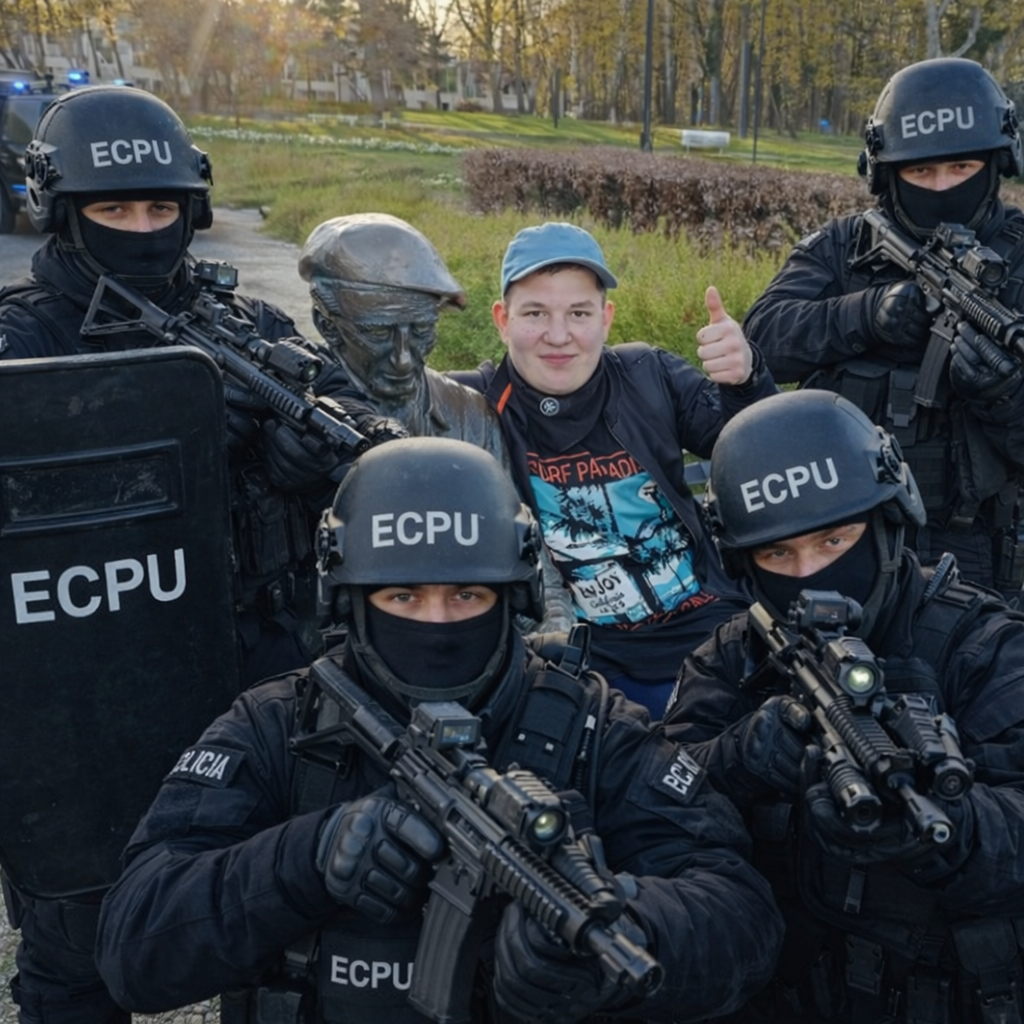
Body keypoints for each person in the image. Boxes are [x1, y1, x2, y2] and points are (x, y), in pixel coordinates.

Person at [94, 436, 783, 1024]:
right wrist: (303, 859)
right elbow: (132, 947)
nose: (437, 623)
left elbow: (740, 912)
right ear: (348, 601)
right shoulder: (279, 725)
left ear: (511, 597)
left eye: (466, 594)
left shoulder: (593, 727)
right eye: (402, 596)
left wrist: (628, 928)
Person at [0, 84, 356, 1024]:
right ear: (61, 209)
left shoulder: (248, 327)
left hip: (254, 671)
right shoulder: (21, 339)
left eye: (161, 208)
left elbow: (363, 430)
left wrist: (308, 460)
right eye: (114, 210)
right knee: (81, 941)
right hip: (90, 686)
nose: (142, 230)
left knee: (274, 923)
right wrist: (156, 433)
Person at [663, 388, 1024, 1023]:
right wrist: (734, 761)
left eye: (834, 541)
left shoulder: (983, 647)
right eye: (778, 553)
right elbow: (654, 808)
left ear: (886, 524)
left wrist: (954, 829)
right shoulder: (731, 658)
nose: (808, 574)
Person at [450, 220, 778, 717]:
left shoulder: (650, 375)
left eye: (578, 313)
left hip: (711, 632)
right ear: (502, 319)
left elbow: (756, 450)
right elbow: (381, 399)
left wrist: (746, 379)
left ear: (606, 319)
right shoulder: (469, 406)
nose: (558, 335)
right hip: (581, 661)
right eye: (535, 313)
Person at [743, 57, 1024, 599]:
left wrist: (1006, 397)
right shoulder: (845, 245)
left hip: (971, 544)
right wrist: (862, 315)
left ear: (997, 163)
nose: (942, 187)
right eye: (920, 172)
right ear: (886, 173)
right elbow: (762, 338)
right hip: (836, 535)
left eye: (961, 167)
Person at [297, 211, 572, 631]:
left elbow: (522, 550)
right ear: (325, 325)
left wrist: (553, 628)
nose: (404, 358)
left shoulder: (468, 414)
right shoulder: (295, 419)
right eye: (378, 332)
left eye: (422, 330)